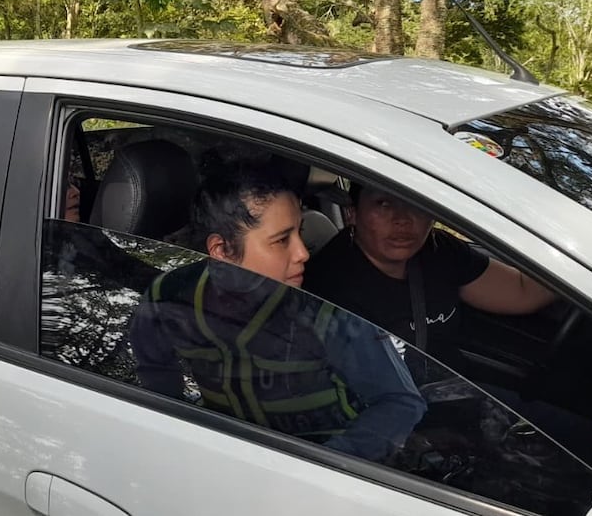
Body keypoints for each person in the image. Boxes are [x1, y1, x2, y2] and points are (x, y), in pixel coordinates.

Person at [130, 162, 425, 463]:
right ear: (221, 250)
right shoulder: (168, 298)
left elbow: (399, 400)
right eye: (282, 240)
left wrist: (327, 464)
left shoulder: (325, 315)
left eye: (300, 232)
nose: (303, 253)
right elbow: (156, 375)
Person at [304, 183, 556, 366]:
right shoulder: (328, 287)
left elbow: (522, 292)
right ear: (352, 214)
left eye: (414, 202)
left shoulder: (439, 252)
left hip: (450, 393)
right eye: (384, 203)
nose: (402, 219)